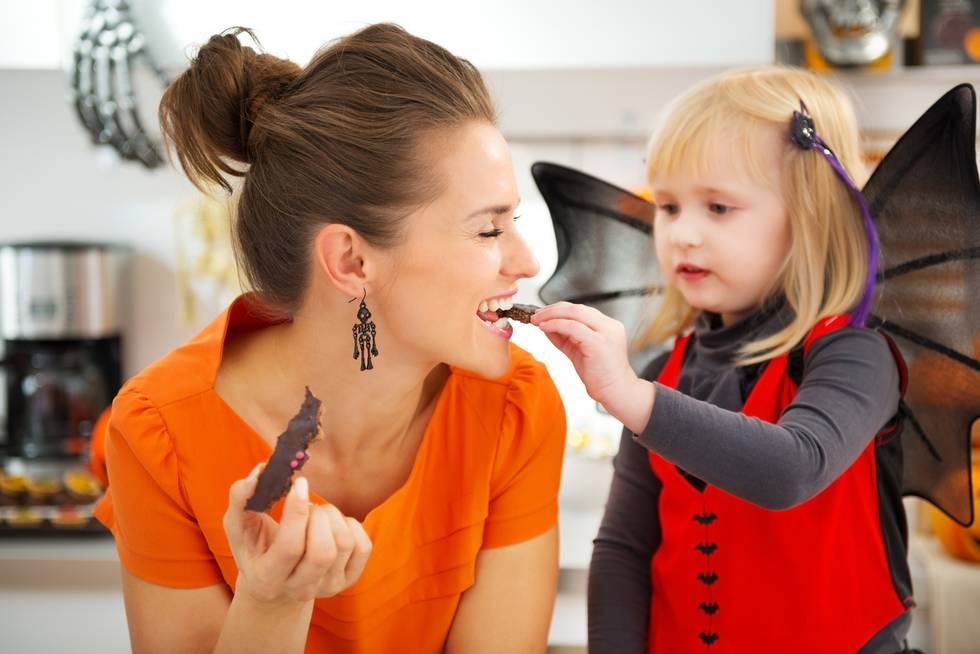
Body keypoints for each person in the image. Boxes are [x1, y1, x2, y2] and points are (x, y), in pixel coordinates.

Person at [94, 24, 566, 654]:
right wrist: (271, 603)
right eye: (488, 231)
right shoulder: (160, 435)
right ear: (351, 262)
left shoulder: (516, 410)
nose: (528, 262)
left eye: (514, 223)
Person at [531, 67, 916, 653]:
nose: (682, 233)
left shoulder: (855, 355)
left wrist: (631, 396)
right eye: (667, 206)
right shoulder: (665, 367)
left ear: (809, 216)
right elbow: (624, 548)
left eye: (717, 206)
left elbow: (792, 468)